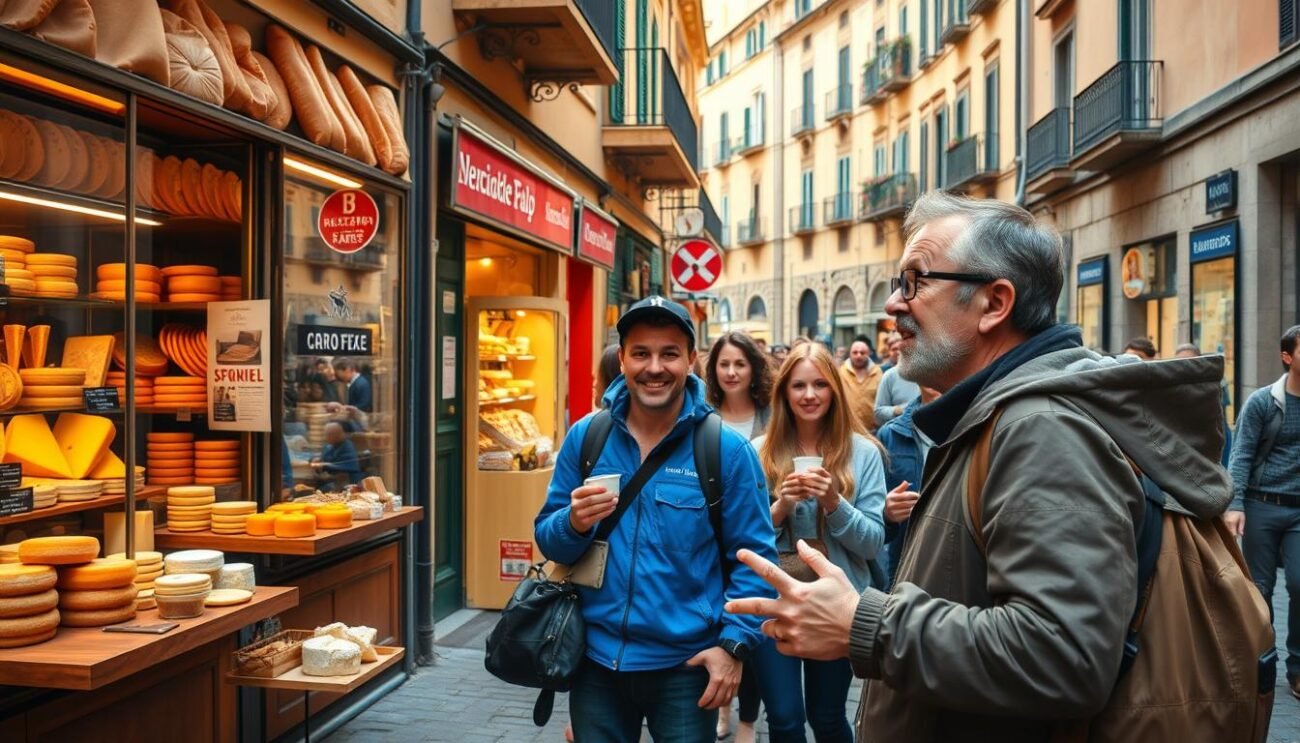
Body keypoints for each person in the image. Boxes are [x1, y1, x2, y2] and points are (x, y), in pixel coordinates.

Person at [726, 192, 1234, 739]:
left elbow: (1062, 655)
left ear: (994, 303)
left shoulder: (1041, 429)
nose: (893, 304)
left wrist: (863, 623)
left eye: (915, 281)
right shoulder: (1002, 416)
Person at [534, 296, 780, 742]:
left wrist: (733, 647)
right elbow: (549, 539)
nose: (654, 367)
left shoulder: (725, 451)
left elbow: (756, 562)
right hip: (595, 663)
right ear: (622, 360)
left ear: (691, 359)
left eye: (669, 354)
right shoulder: (586, 437)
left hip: (686, 668)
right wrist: (573, 522)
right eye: (641, 353)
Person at [748, 342, 886, 742]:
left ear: (835, 391)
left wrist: (833, 502)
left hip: (837, 604)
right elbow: (744, 540)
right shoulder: (759, 452)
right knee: (784, 717)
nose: (809, 395)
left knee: (826, 716)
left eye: (820, 385)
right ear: (784, 393)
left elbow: (872, 544)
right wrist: (782, 506)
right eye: (799, 386)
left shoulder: (864, 453)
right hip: (774, 600)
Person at [704, 331, 773, 743]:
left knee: (751, 632)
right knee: (717, 628)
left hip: (760, 538)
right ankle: (722, 707)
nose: (731, 372)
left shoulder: (771, 417)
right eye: (724, 364)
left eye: (740, 364)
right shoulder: (703, 416)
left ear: (753, 368)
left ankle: (748, 718)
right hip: (712, 544)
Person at [1228, 325, 1300, 697]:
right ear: (1287, 357)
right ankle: (1260, 661)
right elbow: (1241, 454)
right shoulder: (1263, 402)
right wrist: (1235, 503)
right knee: (1260, 589)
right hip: (1262, 505)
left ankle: (1297, 667)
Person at [875, 384, 940, 586]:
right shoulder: (890, 435)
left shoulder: (978, 425)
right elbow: (874, 523)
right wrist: (887, 514)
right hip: (904, 560)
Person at [1175, 343, 1233, 467]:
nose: (1185, 366)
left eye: (1190, 361)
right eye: (1180, 362)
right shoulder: (1171, 386)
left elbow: (1220, 421)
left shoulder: (1214, 383)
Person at [838, 335, 883, 431]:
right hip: (847, 430)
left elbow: (883, 401)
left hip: (872, 431)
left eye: (862, 353)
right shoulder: (841, 372)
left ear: (869, 353)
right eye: (855, 352)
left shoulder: (878, 373)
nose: (858, 355)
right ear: (850, 354)